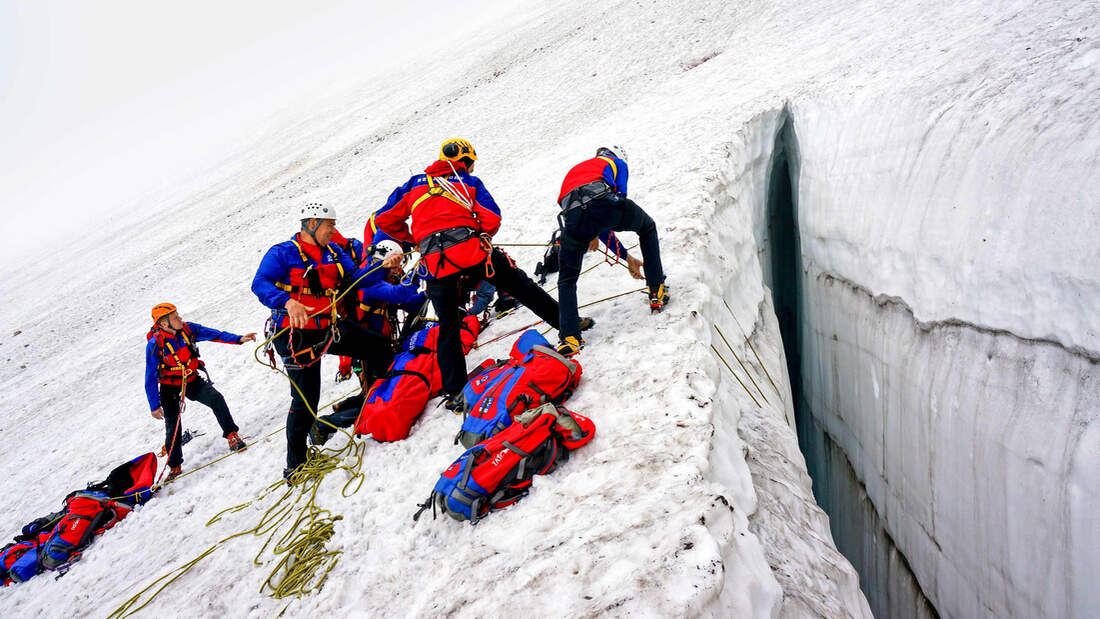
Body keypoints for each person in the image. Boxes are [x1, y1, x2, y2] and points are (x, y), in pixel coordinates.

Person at [373, 138, 582, 403]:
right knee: (521, 286)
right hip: (472, 251)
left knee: (448, 324)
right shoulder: (467, 182)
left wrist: (415, 240)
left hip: (436, 262)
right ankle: (569, 325)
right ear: (466, 162)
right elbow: (491, 216)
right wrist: (483, 234)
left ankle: (455, 390)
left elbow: (385, 218)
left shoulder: (413, 185)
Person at [251, 202, 401, 479]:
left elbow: (355, 279)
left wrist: (381, 267)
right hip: (294, 335)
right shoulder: (282, 253)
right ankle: (294, 466)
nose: (333, 231)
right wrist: (286, 301)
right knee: (305, 401)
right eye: (329, 225)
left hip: (327, 327)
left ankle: (382, 405)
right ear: (311, 224)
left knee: (378, 346)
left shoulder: (333, 252)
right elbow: (260, 284)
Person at [308, 240, 428, 445]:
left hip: (376, 350)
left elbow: (409, 303)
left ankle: (345, 406)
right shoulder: (370, 283)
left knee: (380, 389)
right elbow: (398, 294)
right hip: (367, 354)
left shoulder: (384, 282)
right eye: (396, 265)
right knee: (380, 396)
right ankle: (326, 424)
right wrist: (419, 272)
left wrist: (432, 292)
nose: (399, 270)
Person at [554, 145, 668, 356]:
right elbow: (617, 200)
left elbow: (598, 224)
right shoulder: (617, 163)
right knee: (647, 227)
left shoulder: (580, 168)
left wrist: (626, 257)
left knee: (566, 280)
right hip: (601, 202)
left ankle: (570, 337)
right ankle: (656, 288)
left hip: (572, 217)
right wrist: (598, 230)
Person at [145, 303, 255, 481]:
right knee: (173, 425)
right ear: (164, 324)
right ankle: (174, 465)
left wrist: (238, 339)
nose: (180, 319)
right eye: (175, 318)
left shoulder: (188, 330)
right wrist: (154, 405)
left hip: (190, 378)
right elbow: (150, 376)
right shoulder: (154, 345)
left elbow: (214, 334)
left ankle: (231, 434)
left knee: (216, 399)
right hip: (169, 385)